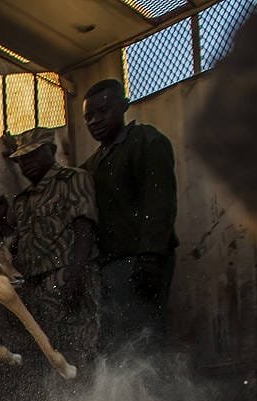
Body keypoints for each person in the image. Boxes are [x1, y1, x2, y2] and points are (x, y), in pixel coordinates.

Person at [81, 78, 178, 356]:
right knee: (119, 340)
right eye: (89, 116)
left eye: (104, 111)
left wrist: (151, 255)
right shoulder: (93, 163)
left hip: (143, 257)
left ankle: (162, 397)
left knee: (146, 334)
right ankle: (131, 398)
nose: (96, 121)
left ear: (124, 107)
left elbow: (159, 202)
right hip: (112, 265)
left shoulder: (146, 141)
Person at [3, 127, 101, 368]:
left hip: (68, 277)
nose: (26, 164)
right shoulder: (23, 200)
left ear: (52, 150)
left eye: (33, 155)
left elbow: (84, 229)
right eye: (22, 159)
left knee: (79, 349)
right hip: (35, 288)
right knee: (47, 356)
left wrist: (76, 275)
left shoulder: (73, 180)